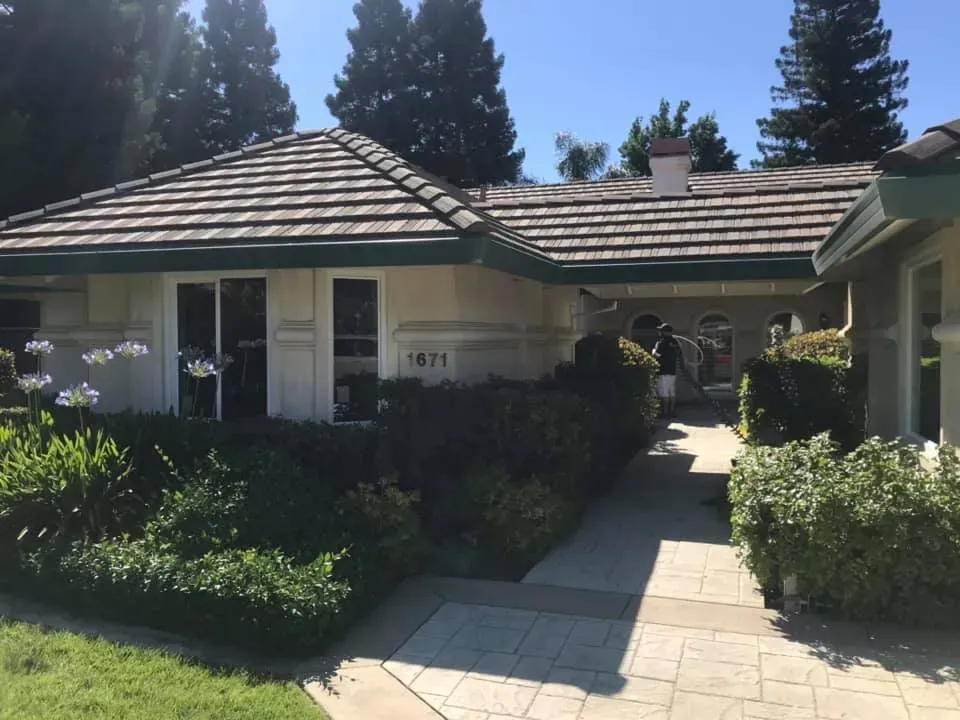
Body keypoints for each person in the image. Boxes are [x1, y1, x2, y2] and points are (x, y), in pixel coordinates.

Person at [652, 323, 683, 419]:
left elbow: (656, 355)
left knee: (664, 393)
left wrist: (653, 350)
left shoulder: (662, 343)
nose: (659, 332)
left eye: (661, 330)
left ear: (664, 332)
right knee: (671, 393)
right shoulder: (675, 342)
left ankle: (665, 413)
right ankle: (672, 411)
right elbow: (679, 354)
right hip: (672, 371)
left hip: (663, 372)